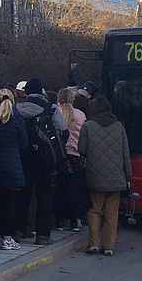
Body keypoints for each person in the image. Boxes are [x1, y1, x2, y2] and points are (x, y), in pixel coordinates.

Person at [14, 77, 67, 245]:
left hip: (22, 157)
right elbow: (63, 132)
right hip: (45, 159)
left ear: (27, 92)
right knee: (44, 196)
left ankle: (19, 230)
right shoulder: (51, 109)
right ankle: (43, 235)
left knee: (23, 194)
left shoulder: (17, 109)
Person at [79, 96, 131, 256]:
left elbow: (81, 149)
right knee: (112, 213)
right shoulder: (119, 126)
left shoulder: (88, 126)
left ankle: (94, 243)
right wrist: (128, 177)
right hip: (116, 177)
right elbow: (125, 153)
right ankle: (108, 246)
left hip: (95, 175)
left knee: (95, 210)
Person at [0, 88, 27, 251]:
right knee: (10, 205)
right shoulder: (17, 119)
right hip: (13, 166)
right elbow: (24, 143)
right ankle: (7, 237)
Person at [54, 88, 88, 232]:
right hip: (76, 155)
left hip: (60, 155)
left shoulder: (56, 112)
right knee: (75, 189)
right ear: (72, 99)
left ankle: (59, 221)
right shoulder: (80, 115)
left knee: (59, 189)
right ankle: (74, 220)